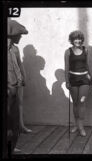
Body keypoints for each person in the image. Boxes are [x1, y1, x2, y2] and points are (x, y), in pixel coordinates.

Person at [7, 19, 30, 154]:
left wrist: (23, 78)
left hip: (16, 87)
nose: (20, 37)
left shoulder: (15, 49)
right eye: (19, 35)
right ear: (11, 35)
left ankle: (12, 145)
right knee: (8, 121)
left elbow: (19, 65)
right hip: (8, 89)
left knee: (14, 120)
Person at [64, 30, 91, 137]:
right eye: (75, 39)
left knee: (82, 102)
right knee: (75, 103)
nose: (78, 41)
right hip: (73, 79)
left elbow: (87, 64)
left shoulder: (86, 50)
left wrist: (90, 77)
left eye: (79, 39)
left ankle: (81, 126)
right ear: (72, 40)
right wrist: (66, 81)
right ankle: (76, 125)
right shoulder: (68, 51)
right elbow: (66, 67)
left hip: (84, 78)